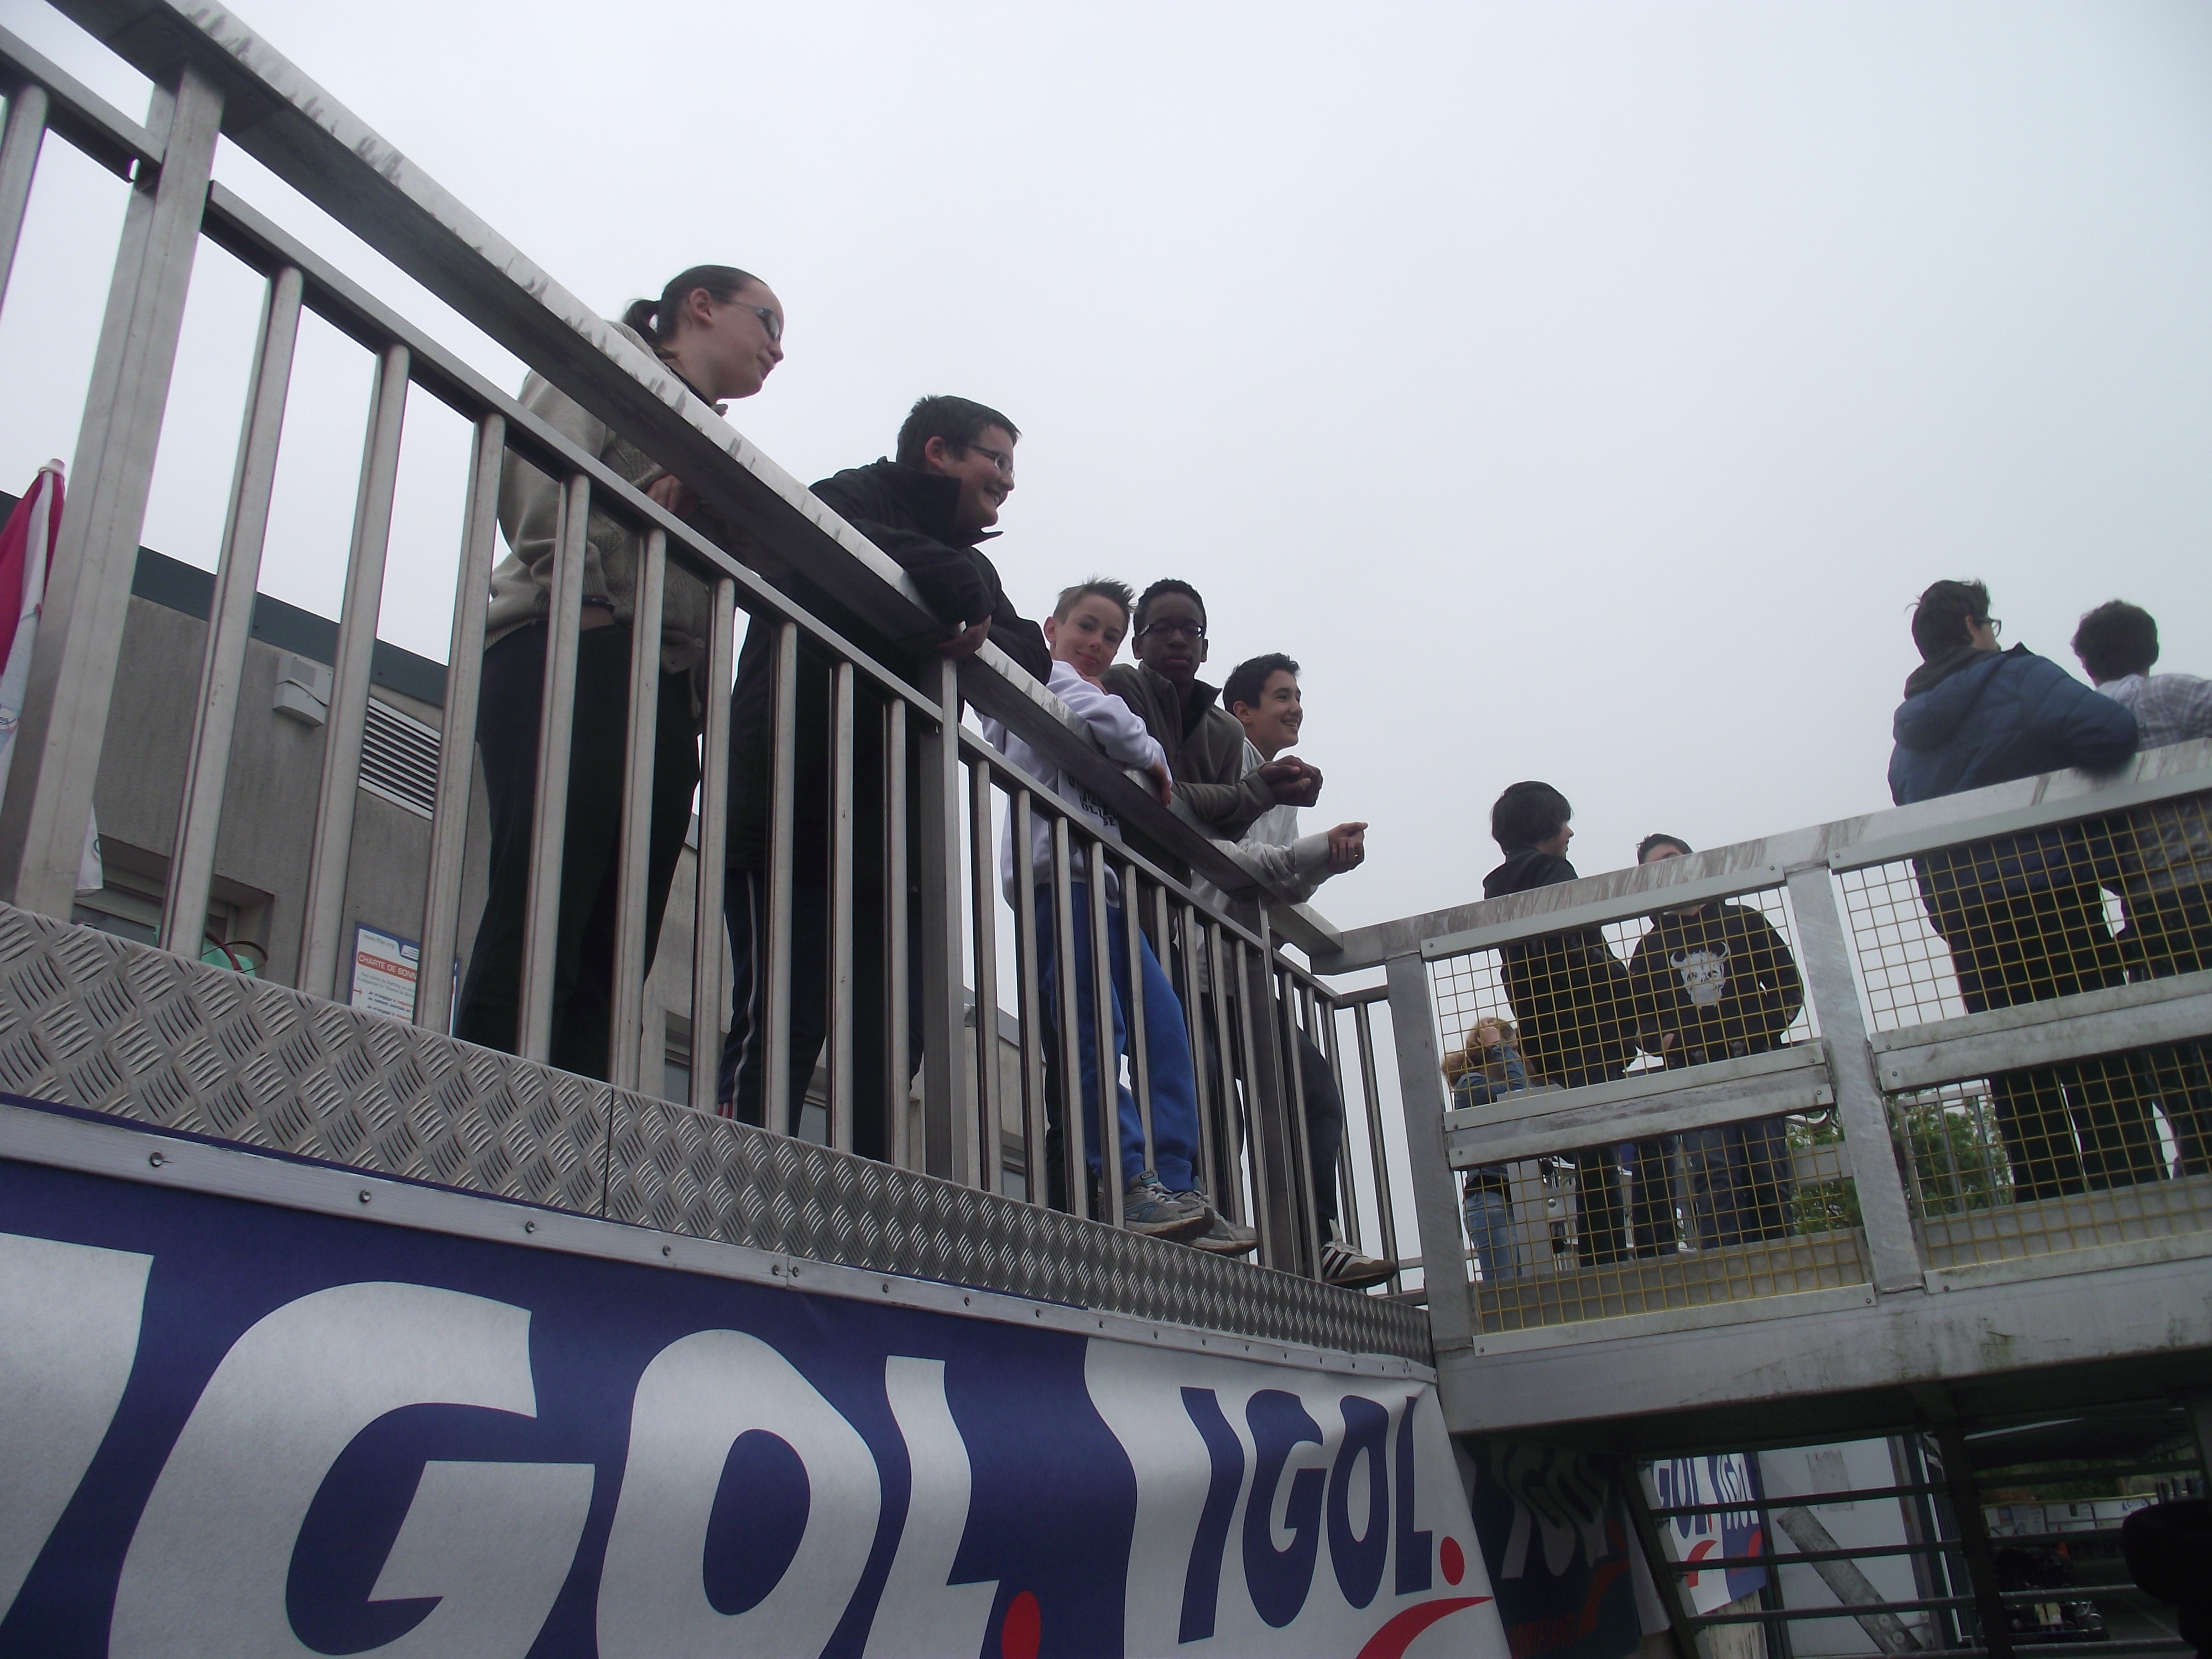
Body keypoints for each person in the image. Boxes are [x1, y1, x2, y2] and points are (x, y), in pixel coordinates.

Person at [458, 264, 784, 1081]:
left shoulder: (719, 445)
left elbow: (751, 556)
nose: (778, 350)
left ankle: (571, 1123)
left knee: (621, 933)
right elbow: (538, 466)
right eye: (768, 323)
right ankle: (485, 1105)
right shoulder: (606, 353)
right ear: (701, 306)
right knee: (545, 899)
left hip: (664, 687)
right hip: (572, 641)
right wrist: (590, 606)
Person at [719, 395, 1051, 1150]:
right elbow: (819, 527)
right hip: (791, 806)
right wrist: (947, 578)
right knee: (784, 1015)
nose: (1008, 480)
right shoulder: (853, 494)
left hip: (896, 835)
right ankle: (737, 1186)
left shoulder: (973, 563)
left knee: (896, 1033)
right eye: (997, 459)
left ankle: (863, 1199)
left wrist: (965, 592)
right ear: (938, 451)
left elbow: (1030, 657)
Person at [980, 578, 1234, 1245]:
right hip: (1058, 880)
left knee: (1165, 1029)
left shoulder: (1097, 699)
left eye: (1110, 636)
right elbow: (1115, 724)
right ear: (1052, 629)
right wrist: (1149, 752)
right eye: (1086, 627)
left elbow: (1113, 724)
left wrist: (1138, 748)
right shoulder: (1042, 674)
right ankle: (1125, 1182)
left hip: (1108, 890)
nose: (1096, 643)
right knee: (1096, 1032)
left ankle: (1176, 1181)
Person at [1889, 579, 2148, 1198]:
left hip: (1970, 922)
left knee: (2015, 1069)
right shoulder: (2019, 677)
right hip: (2053, 892)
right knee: (2100, 1055)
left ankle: (2046, 1208)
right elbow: (2112, 735)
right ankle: (2135, 1196)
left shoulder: (1907, 740)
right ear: (1974, 626)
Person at [2073, 600, 2211, 1174]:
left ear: (2087, 664)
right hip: (2206, 889)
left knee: (2177, 1066)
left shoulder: (2080, 723)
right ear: (2150, 648)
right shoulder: (2178, 694)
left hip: (2147, 911)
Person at [1483, 782, 1639, 1265]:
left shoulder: (1497, 886)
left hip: (1546, 1029)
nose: (1570, 832)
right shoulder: (1554, 871)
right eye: (1563, 821)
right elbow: (1571, 948)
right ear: (1543, 824)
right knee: (1606, 1145)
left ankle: (1598, 1256)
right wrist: (1622, 983)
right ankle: (1611, 1255)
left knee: (1585, 1143)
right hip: (1588, 1025)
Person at [1628, 833, 1804, 1247]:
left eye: (1672, 858)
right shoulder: (1650, 948)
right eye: (1655, 867)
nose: (1667, 869)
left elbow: (1788, 985)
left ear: (1693, 863)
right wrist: (1665, 1043)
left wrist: (1761, 1028)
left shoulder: (1745, 921)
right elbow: (1635, 1019)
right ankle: (1728, 1279)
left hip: (1757, 1066)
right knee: (1715, 1180)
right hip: (1694, 1077)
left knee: (1769, 1175)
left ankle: (1786, 1270)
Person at [1102, 581, 1318, 840]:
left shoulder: (1227, 731)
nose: (1178, 639)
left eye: (1191, 630)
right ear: (1137, 646)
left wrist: (1264, 791)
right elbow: (1144, 789)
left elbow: (1225, 833)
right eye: (1162, 629)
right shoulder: (1122, 684)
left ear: (1204, 649)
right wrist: (1254, 792)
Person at [1443, 1016, 1545, 1284]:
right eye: (1513, 1050)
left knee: (1529, 1290)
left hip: (1515, 1198)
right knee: (1507, 1293)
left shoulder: (1500, 1085)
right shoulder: (1471, 1084)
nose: (1518, 1058)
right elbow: (1519, 1096)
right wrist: (1500, 1046)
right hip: (1492, 1198)